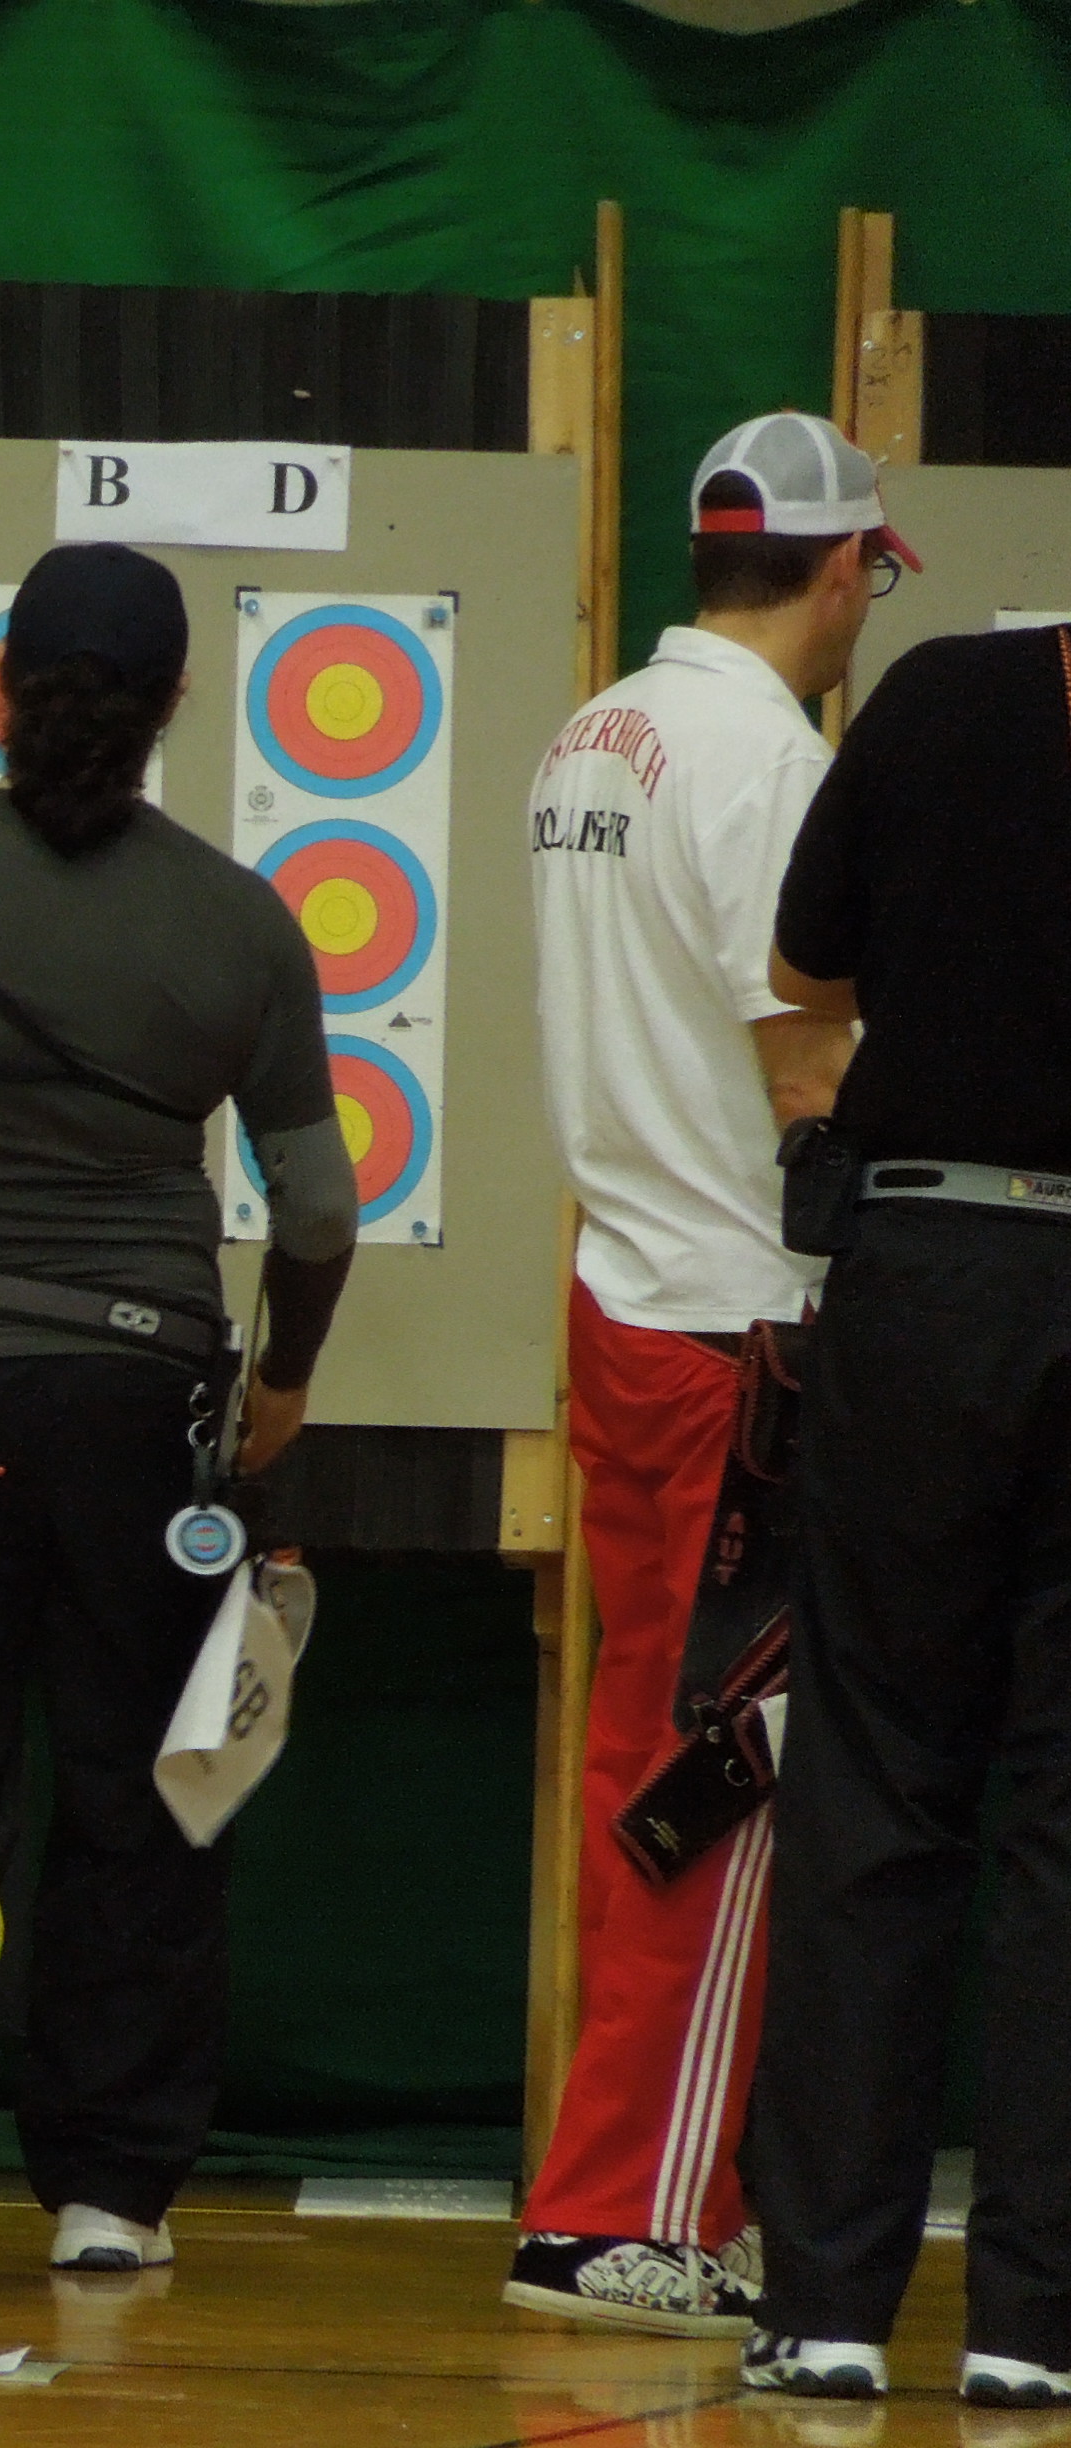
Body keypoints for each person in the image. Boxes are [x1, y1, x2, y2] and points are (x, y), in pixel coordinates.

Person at [0, 541, 357, 2282]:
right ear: (176, 702)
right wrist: (284, 1378)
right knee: (139, 1783)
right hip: (142, 1403)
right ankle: (110, 2188)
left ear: (1, 684)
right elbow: (319, 1212)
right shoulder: (242, 921)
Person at [502, 413, 886, 2335]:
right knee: (727, 1780)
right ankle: (627, 2213)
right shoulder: (775, 766)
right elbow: (802, 1067)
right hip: (748, 1325)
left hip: (628, 1303)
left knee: (637, 1765)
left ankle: (620, 2192)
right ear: (842, 571)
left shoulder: (598, 731)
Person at [735, 616, 1071, 2409]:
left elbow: (805, 967)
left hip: (931, 1263)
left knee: (875, 1780)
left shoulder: (945, 694)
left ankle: (830, 2303)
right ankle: (1033, 2325)